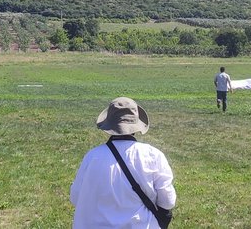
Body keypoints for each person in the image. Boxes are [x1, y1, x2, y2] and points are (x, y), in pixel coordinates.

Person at [70, 97, 176, 228]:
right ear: (136, 124)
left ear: (109, 124)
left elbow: (76, 198)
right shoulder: (153, 155)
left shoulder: (92, 157)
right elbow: (168, 201)